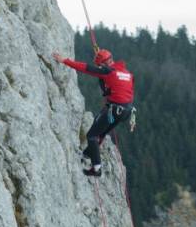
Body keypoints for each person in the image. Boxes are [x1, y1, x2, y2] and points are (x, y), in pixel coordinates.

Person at [52, 48, 135, 177]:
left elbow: (85, 68)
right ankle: (86, 154)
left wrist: (64, 60)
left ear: (103, 64)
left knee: (92, 135)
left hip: (114, 110)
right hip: (126, 111)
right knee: (100, 133)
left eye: (100, 65)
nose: (99, 67)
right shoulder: (127, 73)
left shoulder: (107, 71)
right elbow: (126, 89)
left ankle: (96, 168)